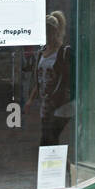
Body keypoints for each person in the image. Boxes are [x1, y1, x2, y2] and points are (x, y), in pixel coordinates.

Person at [26, 10, 72, 146]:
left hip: (59, 104)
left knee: (48, 139)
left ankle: (65, 166)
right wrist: (30, 99)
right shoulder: (41, 53)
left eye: (49, 32)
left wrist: (58, 98)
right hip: (45, 104)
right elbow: (39, 81)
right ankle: (67, 167)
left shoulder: (63, 52)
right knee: (50, 140)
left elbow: (66, 80)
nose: (47, 35)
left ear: (55, 32)